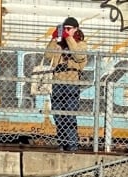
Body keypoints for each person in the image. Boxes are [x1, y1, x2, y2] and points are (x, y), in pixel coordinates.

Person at [44, 17, 87, 152]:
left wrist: (68, 37)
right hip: (57, 83)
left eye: (69, 28)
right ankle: (62, 143)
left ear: (76, 29)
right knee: (58, 115)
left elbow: (78, 56)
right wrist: (54, 38)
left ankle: (72, 145)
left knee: (69, 115)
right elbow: (48, 56)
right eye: (65, 28)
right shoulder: (59, 43)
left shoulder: (81, 44)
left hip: (71, 84)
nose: (67, 31)